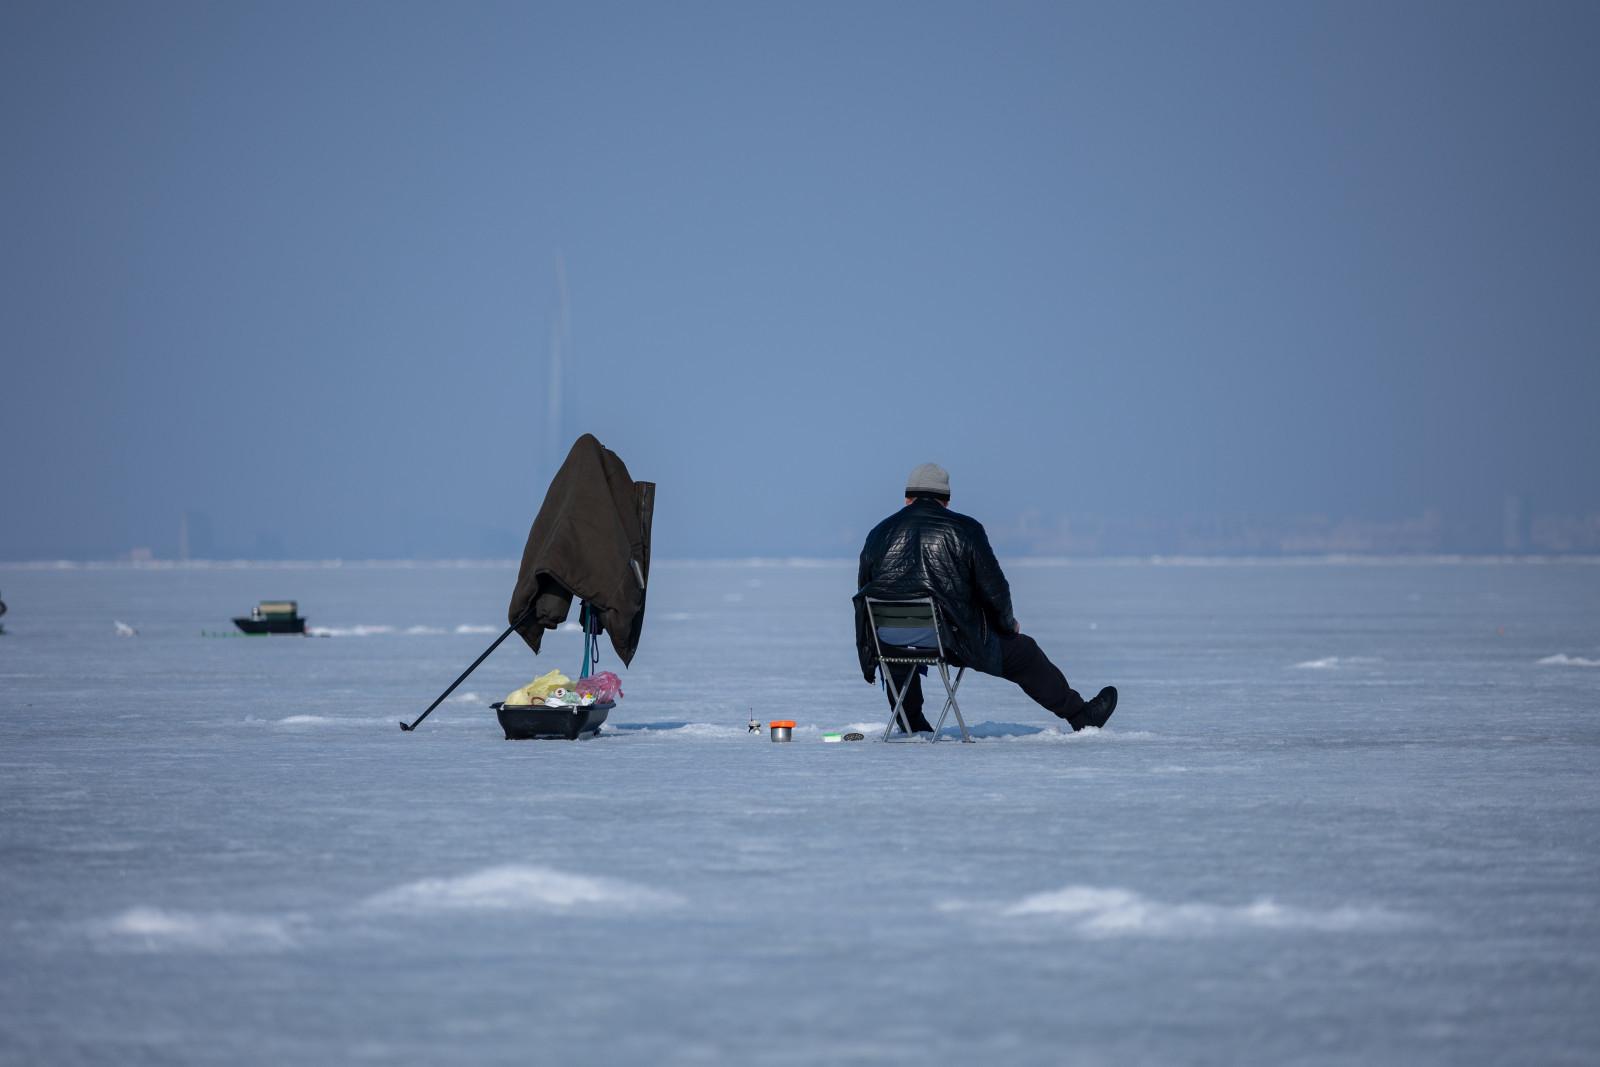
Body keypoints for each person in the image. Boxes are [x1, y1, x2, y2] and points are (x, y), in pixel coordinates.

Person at [854, 463, 1117, 733]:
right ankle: (1081, 715)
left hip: (889, 638)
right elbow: (994, 590)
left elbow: (866, 591)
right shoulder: (965, 529)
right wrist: (1006, 625)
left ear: (907, 499)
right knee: (1025, 653)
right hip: (951, 638)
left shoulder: (878, 533)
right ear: (946, 501)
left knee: (902, 639)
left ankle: (910, 722)